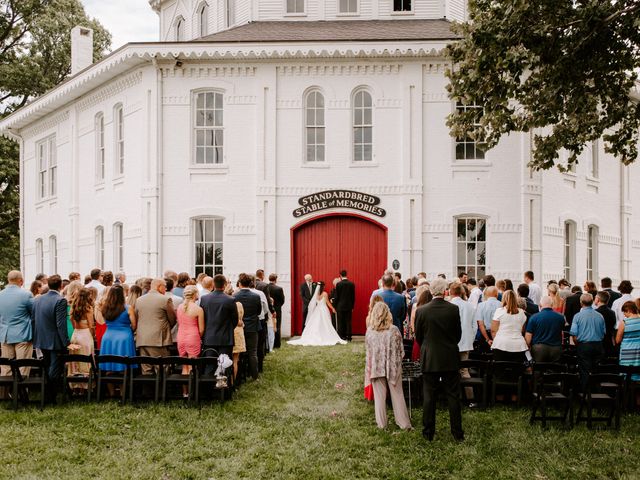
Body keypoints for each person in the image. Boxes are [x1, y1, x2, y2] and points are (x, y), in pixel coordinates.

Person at [414, 278, 463, 441]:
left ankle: (428, 432)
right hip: (449, 356)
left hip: (430, 356)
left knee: (429, 396)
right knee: (453, 396)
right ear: (444, 291)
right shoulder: (453, 309)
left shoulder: (422, 310)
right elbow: (458, 335)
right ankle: (457, 433)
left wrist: (428, 347)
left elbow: (419, 336)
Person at [365, 302, 412, 430]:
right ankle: (404, 423)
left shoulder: (369, 331)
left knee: (379, 397)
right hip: (393, 366)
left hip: (376, 366)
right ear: (387, 313)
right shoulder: (394, 330)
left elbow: (368, 352)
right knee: (397, 394)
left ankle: (381, 424)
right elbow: (400, 351)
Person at [32, 275, 69, 404]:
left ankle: (48, 395)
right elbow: (60, 324)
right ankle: (50, 397)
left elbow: (33, 320)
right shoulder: (61, 300)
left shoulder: (37, 299)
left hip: (41, 338)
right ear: (61, 286)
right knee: (53, 370)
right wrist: (66, 342)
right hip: (54, 340)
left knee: (47, 367)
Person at [0, 271, 34, 395]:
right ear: (21, 280)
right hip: (22, 334)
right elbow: (33, 312)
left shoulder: (0, 294)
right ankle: (21, 393)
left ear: (8, 280)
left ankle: (4, 394)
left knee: (6, 366)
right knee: (23, 365)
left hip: (5, 334)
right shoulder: (26, 294)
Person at [135, 278, 177, 374]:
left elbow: (137, 318)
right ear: (159, 286)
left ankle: (148, 389)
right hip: (159, 340)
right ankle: (161, 389)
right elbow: (172, 319)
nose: (166, 289)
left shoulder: (139, 300)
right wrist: (166, 328)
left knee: (146, 369)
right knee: (162, 369)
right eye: (165, 287)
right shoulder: (165, 299)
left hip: (142, 339)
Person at [289, 282, 346, 346]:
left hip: (317, 310)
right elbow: (328, 303)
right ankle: (325, 335)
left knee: (316, 323)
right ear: (323, 287)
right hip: (324, 310)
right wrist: (333, 308)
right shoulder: (325, 294)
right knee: (326, 323)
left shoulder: (315, 294)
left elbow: (314, 304)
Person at [570, 293, 605, 390]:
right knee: (596, 369)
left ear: (581, 303)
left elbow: (574, 334)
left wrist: (578, 344)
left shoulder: (577, 316)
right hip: (598, 345)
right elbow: (603, 333)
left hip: (584, 345)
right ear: (592, 301)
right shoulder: (600, 316)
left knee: (584, 370)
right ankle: (596, 390)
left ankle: (586, 392)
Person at [98, 285, 137, 371]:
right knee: (125, 364)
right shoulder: (128, 308)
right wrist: (128, 330)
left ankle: (110, 383)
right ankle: (123, 383)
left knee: (108, 365)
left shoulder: (104, 308)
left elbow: (105, 321)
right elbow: (134, 325)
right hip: (125, 336)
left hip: (108, 336)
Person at [449, 282, 477, 402]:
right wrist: (470, 340)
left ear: (450, 292)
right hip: (465, 343)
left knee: (451, 371)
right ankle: (470, 398)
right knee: (465, 371)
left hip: (450, 343)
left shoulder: (448, 305)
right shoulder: (470, 306)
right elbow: (474, 326)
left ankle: (453, 397)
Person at [200, 274, 238, 360]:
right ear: (225, 284)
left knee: (209, 366)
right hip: (225, 338)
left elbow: (203, 318)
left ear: (213, 284)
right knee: (224, 366)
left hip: (209, 337)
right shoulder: (230, 300)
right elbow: (235, 320)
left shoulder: (204, 299)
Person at [176, 285, 204, 397]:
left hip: (181, 336)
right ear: (194, 294)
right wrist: (199, 336)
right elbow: (201, 329)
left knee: (184, 366)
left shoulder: (179, 307)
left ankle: (185, 392)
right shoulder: (198, 309)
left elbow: (179, 323)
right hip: (193, 336)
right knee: (192, 366)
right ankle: (192, 392)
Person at [234, 274, 262, 379]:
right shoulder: (256, 296)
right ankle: (254, 375)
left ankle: (240, 375)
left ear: (240, 284)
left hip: (239, 327)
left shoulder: (234, 296)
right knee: (253, 352)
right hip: (253, 327)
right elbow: (259, 311)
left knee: (239, 353)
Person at [67, 288, 95, 392]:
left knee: (75, 360)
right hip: (85, 335)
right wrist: (92, 335)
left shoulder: (73, 307)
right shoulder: (88, 308)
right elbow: (91, 325)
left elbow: (73, 323)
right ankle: (85, 387)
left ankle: (75, 387)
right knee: (86, 359)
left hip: (75, 335)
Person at [491, 290, 529, 363]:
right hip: (518, 345)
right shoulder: (522, 312)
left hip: (501, 344)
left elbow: (493, 331)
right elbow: (522, 330)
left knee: (500, 371)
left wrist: (497, 340)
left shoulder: (499, 311)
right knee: (516, 371)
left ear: (504, 298)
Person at [525, 296, 565, 362]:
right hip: (556, 348)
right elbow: (562, 332)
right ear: (552, 305)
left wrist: (528, 348)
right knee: (554, 370)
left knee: (538, 369)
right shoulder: (560, 317)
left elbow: (528, 336)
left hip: (538, 349)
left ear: (540, 305)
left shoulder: (534, 317)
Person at [617, 301, 640, 383]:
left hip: (627, 354)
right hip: (638, 354)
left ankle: (626, 394)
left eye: (624, 312)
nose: (624, 315)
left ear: (629, 310)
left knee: (626, 376)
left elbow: (618, 340)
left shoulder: (624, 322)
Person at [475, 286, 501, 352]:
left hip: (484, 335)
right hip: (498, 335)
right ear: (497, 294)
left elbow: (481, 324)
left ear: (486, 294)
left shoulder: (481, 305)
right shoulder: (502, 305)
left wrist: (487, 339)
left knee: (484, 358)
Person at [594, 291, 617, 358]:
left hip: (598, 342)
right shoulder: (612, 312)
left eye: (595, 298)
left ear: (598, 299)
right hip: (609, 341)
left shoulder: (595, 313)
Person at [335, 270, 356, 342]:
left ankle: (341, 336)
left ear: (340, 275)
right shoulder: (351, 284)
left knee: (340, 322)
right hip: (349, 306)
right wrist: (352, 306)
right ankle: (349, 337)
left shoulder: (338, 284)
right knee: (348, 321)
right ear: (346, 275)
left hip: (340, 306)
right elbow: (353, 297)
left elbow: (337, 296)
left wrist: (335, 306)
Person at [266, 274, 285, 349]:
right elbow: (282, 300)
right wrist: (277, 306)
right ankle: (276, 344)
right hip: (277, 309)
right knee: (277, 325)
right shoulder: (279, 288)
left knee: (268, 326)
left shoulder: (266, 287)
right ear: (276, 279)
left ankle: (268, 344)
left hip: (267, 309)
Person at [231, 298, 246, 379]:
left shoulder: (228, 303)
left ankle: (228, 382)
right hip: (238, 332)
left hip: (230, 331)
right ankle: (233, 381)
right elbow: (240, 319)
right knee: (235, 360)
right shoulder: (239, 304)